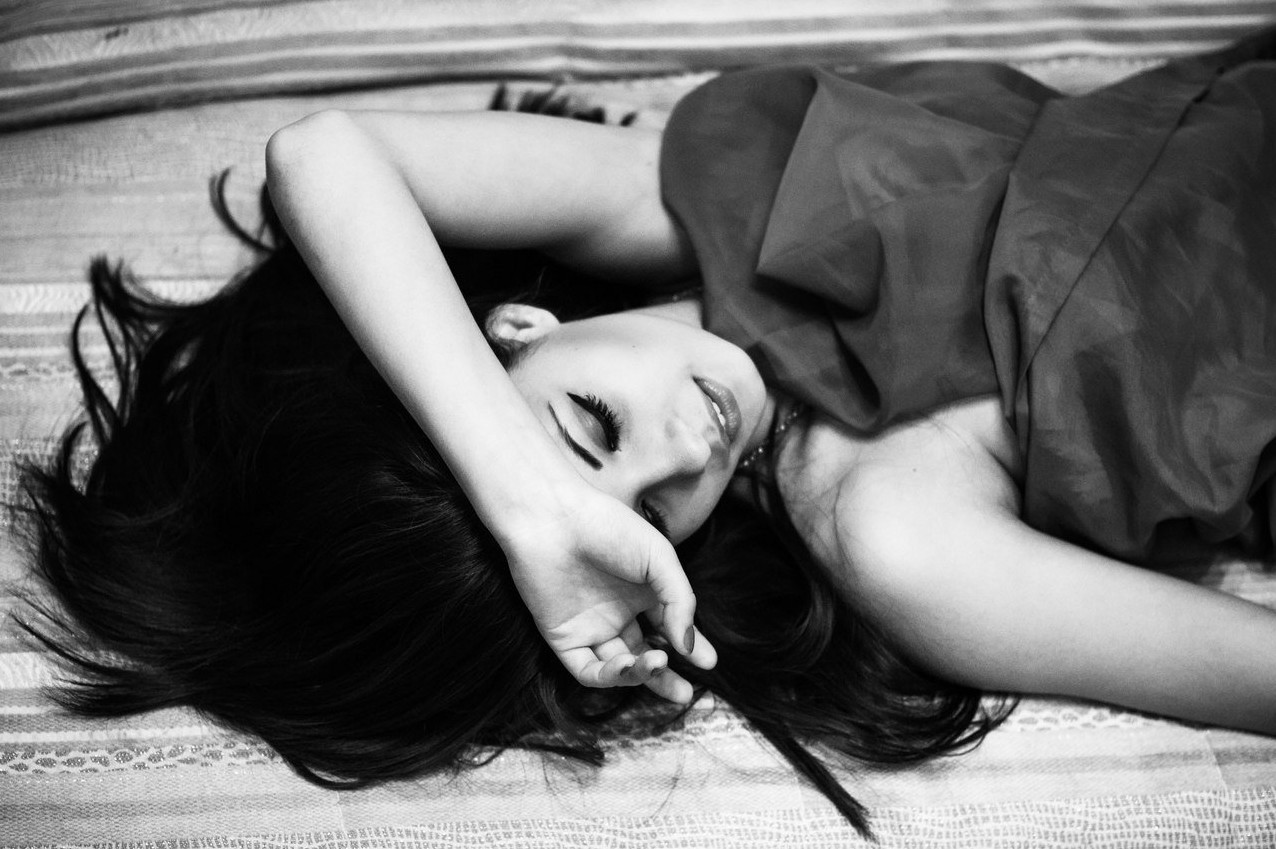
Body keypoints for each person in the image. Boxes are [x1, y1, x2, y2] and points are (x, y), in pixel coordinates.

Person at [16, 28, 1276, 836]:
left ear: (514, 327)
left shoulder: (680, 204)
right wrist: (555, 507)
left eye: (589, 425)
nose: (684, 452)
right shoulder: (889, 522)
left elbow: (322, 153)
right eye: (650, 517)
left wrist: (535, 508)